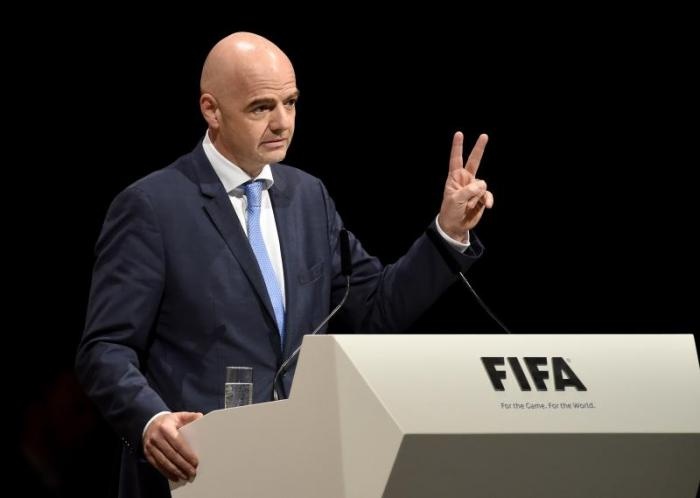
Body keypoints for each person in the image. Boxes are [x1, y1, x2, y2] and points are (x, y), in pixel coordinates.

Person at [75, 31, 494, 498]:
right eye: (261, 108)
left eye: (291, 103)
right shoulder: (153, 207)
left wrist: (447, 232)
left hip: (301, 470)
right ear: (212, 110)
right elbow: (105, 348)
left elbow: (375, 311)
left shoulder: (308, 197)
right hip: (195, 474)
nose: (282, 123)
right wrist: (150, 420)